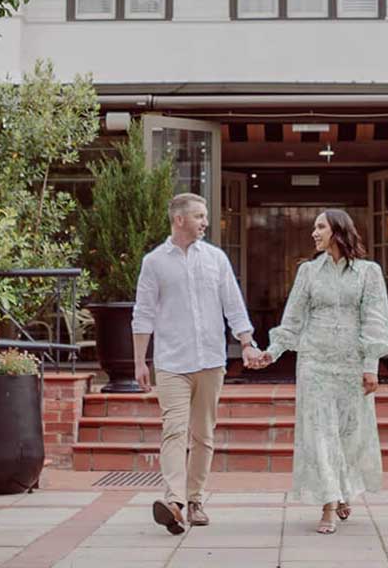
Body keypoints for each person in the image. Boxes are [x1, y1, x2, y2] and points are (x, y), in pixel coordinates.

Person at [247, 209, 388, 534]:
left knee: (348, 436)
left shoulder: (368, 273)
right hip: (315, 364)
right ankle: (328, 504)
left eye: (320, 227)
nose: (314, 233)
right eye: (314, 227)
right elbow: (293, 319)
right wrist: (270, 353)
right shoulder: (308, 272)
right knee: (320, 434)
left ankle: (343, 490)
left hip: (351, 365)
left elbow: (375, 318)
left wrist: (371, 365)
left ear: (337, 231)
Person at [132, 193, 261, 535]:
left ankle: (195, 500)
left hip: (210, 360)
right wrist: (139, 362)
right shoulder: (155, 262)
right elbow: (142, 313)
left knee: (203, 435)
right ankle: (173, 501)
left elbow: (233, 303)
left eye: (205, 216)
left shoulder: (216, 259)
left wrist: (246, 343)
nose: (206, 222)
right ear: (179, 219)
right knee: (174, 429)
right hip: (171, 362)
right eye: (200, 216)